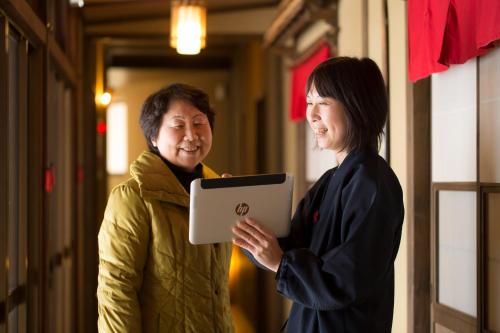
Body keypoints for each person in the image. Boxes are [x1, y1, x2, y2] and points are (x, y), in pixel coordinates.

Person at [232, 57, 404, 333]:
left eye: (323, 103)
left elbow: (343, 281)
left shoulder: (373, 184)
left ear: (356, 106)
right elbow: (291, 243)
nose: (311, 115)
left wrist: (279, 262)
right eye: (309, 102)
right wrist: (239, 209)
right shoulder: (330, 180)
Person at [97, 83, 234, 333]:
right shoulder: (132, 197)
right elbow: (116, 289)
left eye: (199, 123)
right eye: (178, 125)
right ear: (154, 137)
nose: (191, 135)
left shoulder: (219, 190)